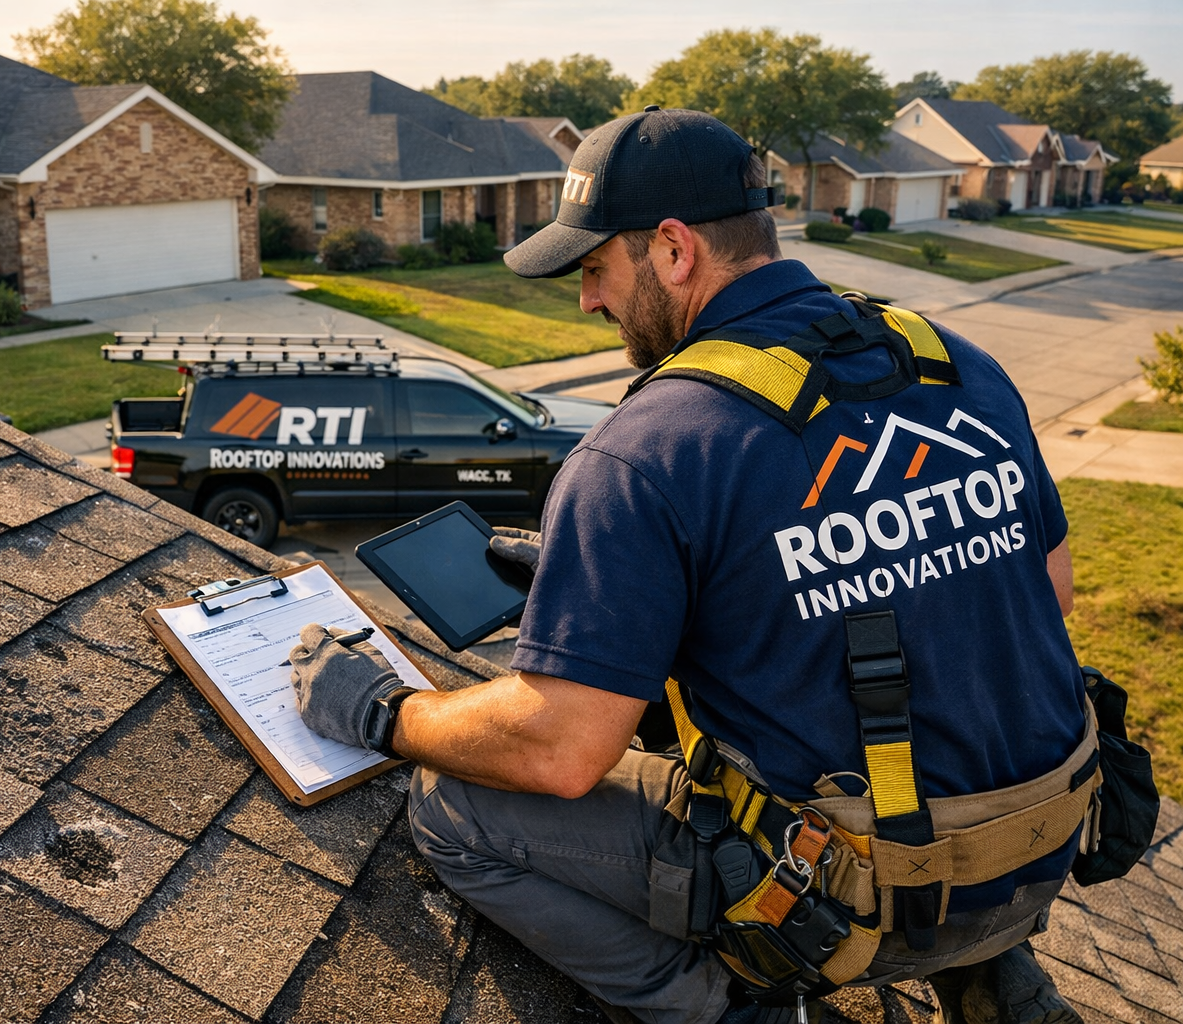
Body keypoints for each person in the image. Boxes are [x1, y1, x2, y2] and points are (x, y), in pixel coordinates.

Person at [287, 107, 1091, 1024]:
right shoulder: (954, 363)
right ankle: (993, 977)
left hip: (858, 906)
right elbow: (1045, 594)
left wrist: (384, 710)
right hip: (1042, 843)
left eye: (594, 269)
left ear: (671, 251)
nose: (587, 299)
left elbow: (562, 751)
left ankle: (729, 1011)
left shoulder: (646, 452)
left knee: (452, 810)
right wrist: (639, 587)